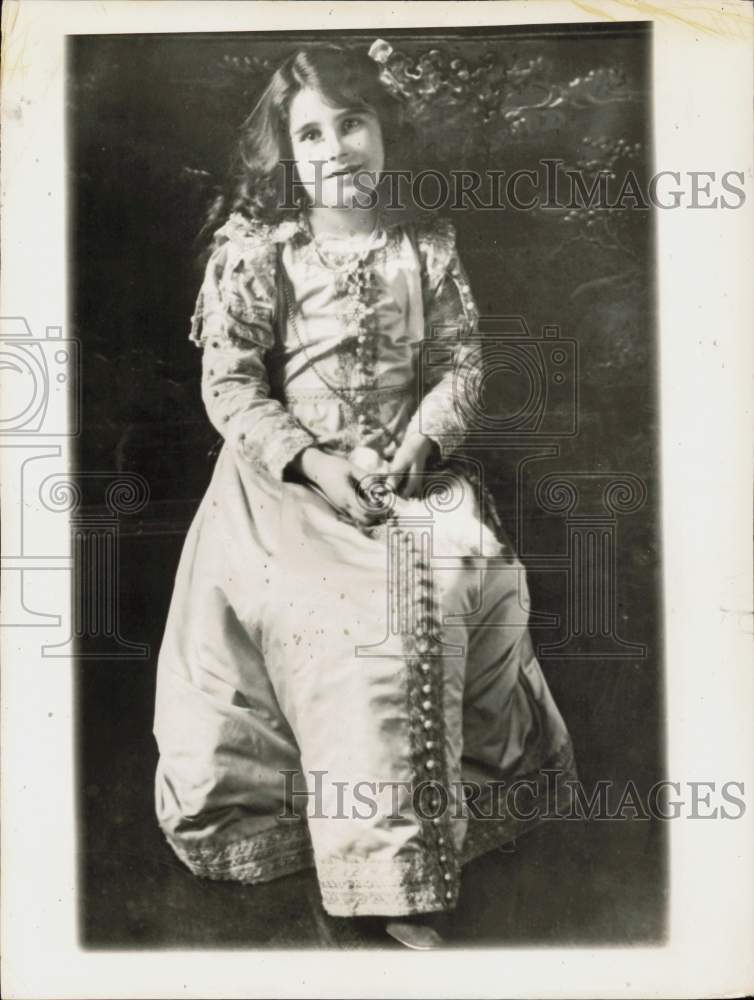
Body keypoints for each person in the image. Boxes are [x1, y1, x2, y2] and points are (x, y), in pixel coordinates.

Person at [153, 40, 576, 949]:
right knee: (351, 629)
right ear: (285, 152)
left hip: (405, 468)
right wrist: (312, 461)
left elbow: (461, 359)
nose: (335, 149)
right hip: (291, 488)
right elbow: (230, 386)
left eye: (351, 124)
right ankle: (382, 874)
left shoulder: (423, 242)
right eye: (310, 134)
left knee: (468, 573)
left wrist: (422, 439)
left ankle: (440, 829)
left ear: (383, 131)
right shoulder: (260, 249)